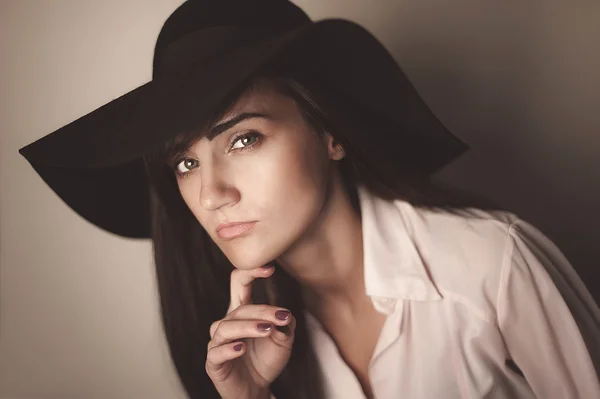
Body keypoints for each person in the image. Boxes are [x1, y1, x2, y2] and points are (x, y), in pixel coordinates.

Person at [18, 1, 600, 398]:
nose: (212, 192)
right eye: (185, 162)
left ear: (331, 133)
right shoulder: (243, 343)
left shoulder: (491, 265)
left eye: (243, 139)